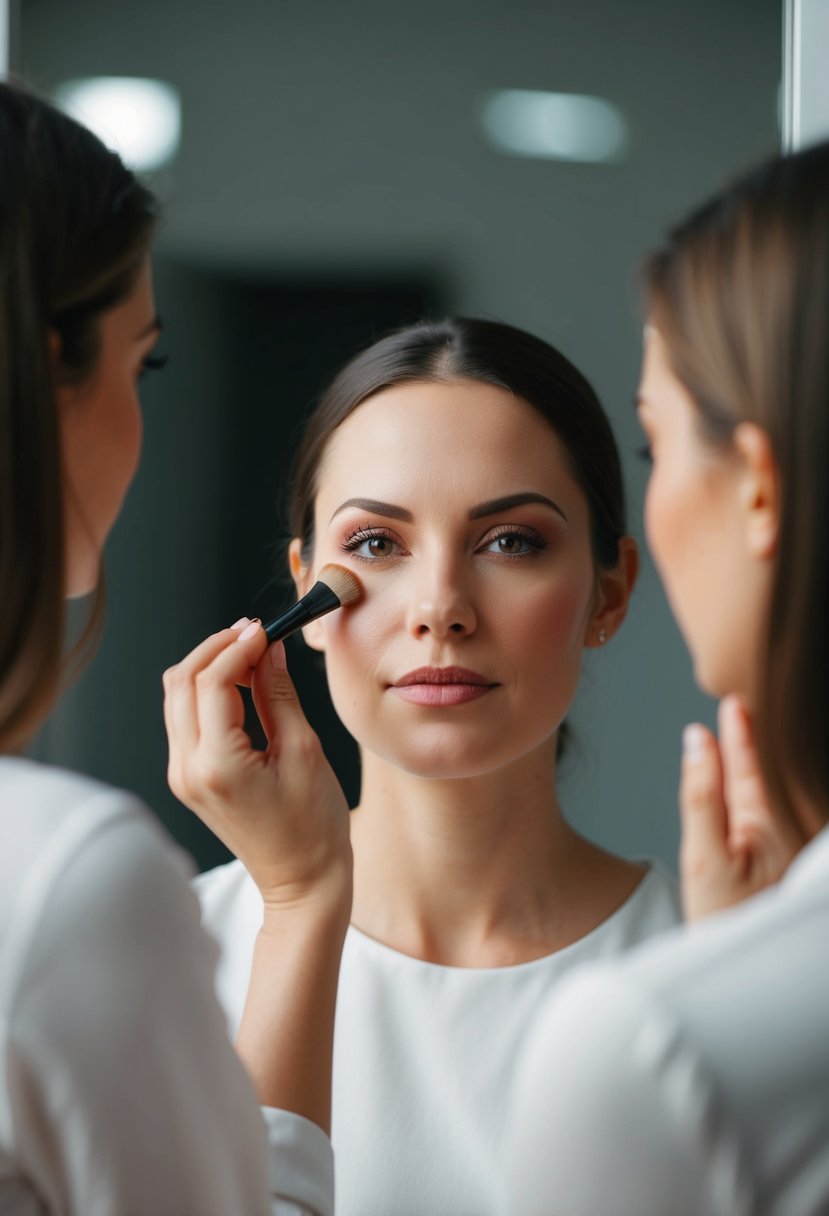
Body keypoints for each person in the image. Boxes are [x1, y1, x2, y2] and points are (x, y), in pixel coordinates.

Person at [191, 317, 682, 1216]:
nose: (440, 608)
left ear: (608, 591)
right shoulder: (173, 961)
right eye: (376, 544)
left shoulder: (713, 961)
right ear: (309, 588)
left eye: (511, 542)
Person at [0, 79, 349, 1215]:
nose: (437, 605)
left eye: (508, 537)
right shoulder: (66, 882)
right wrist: (299, 900)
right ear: (44, 365)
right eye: (140, 361)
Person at [504, 141, 829, 1215]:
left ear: (761, 488)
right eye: (372, 544)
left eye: (657, 447)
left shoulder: (652, 1049)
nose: (437, 611)